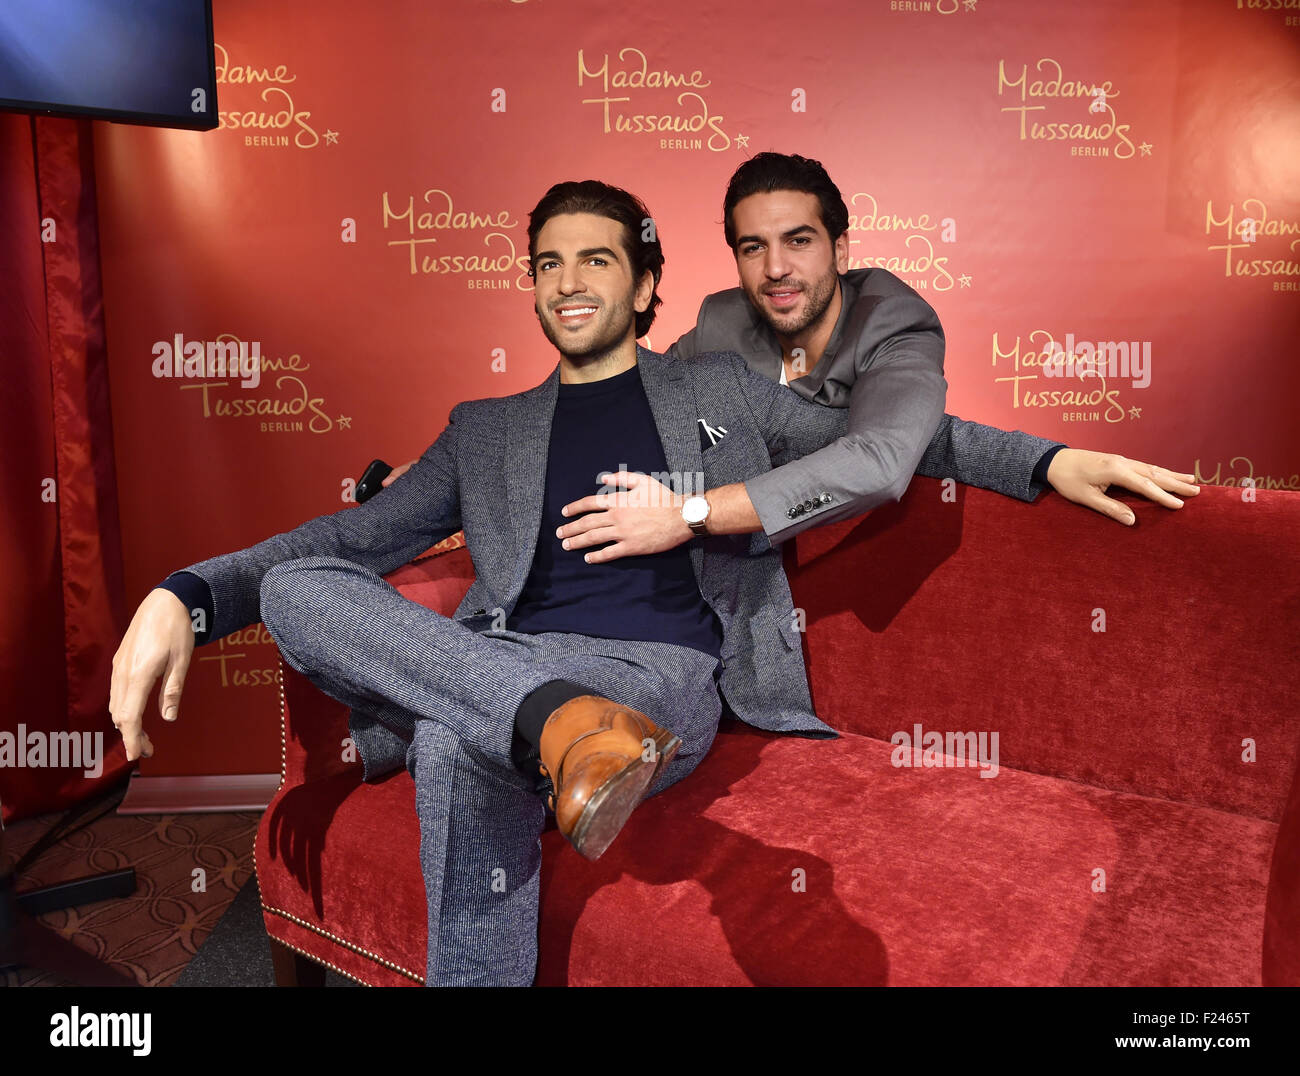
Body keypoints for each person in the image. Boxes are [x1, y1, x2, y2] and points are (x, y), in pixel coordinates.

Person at [110, 180, 887, 987]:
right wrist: (187, 594)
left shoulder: (716, 390)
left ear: (648, 284)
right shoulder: (484, 429)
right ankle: (558, 725)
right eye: (548, 264)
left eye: (595, 259)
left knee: (454, 736)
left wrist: (1031, 459)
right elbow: (350, 537)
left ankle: (560, 722)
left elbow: (890, 441)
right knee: (296, 587)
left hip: (653, 674)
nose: (567, 282)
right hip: (510, 657)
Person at [384, 153, 1200, 543]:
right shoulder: (718, 323)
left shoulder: (897, 322)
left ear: (841, 250)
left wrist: (1045, 461)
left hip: (768, 553)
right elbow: (627, 410)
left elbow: (886, 457)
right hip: (730, 580)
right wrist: (485, 502)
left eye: (800, 242)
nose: (776, 270)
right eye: (751, 248)